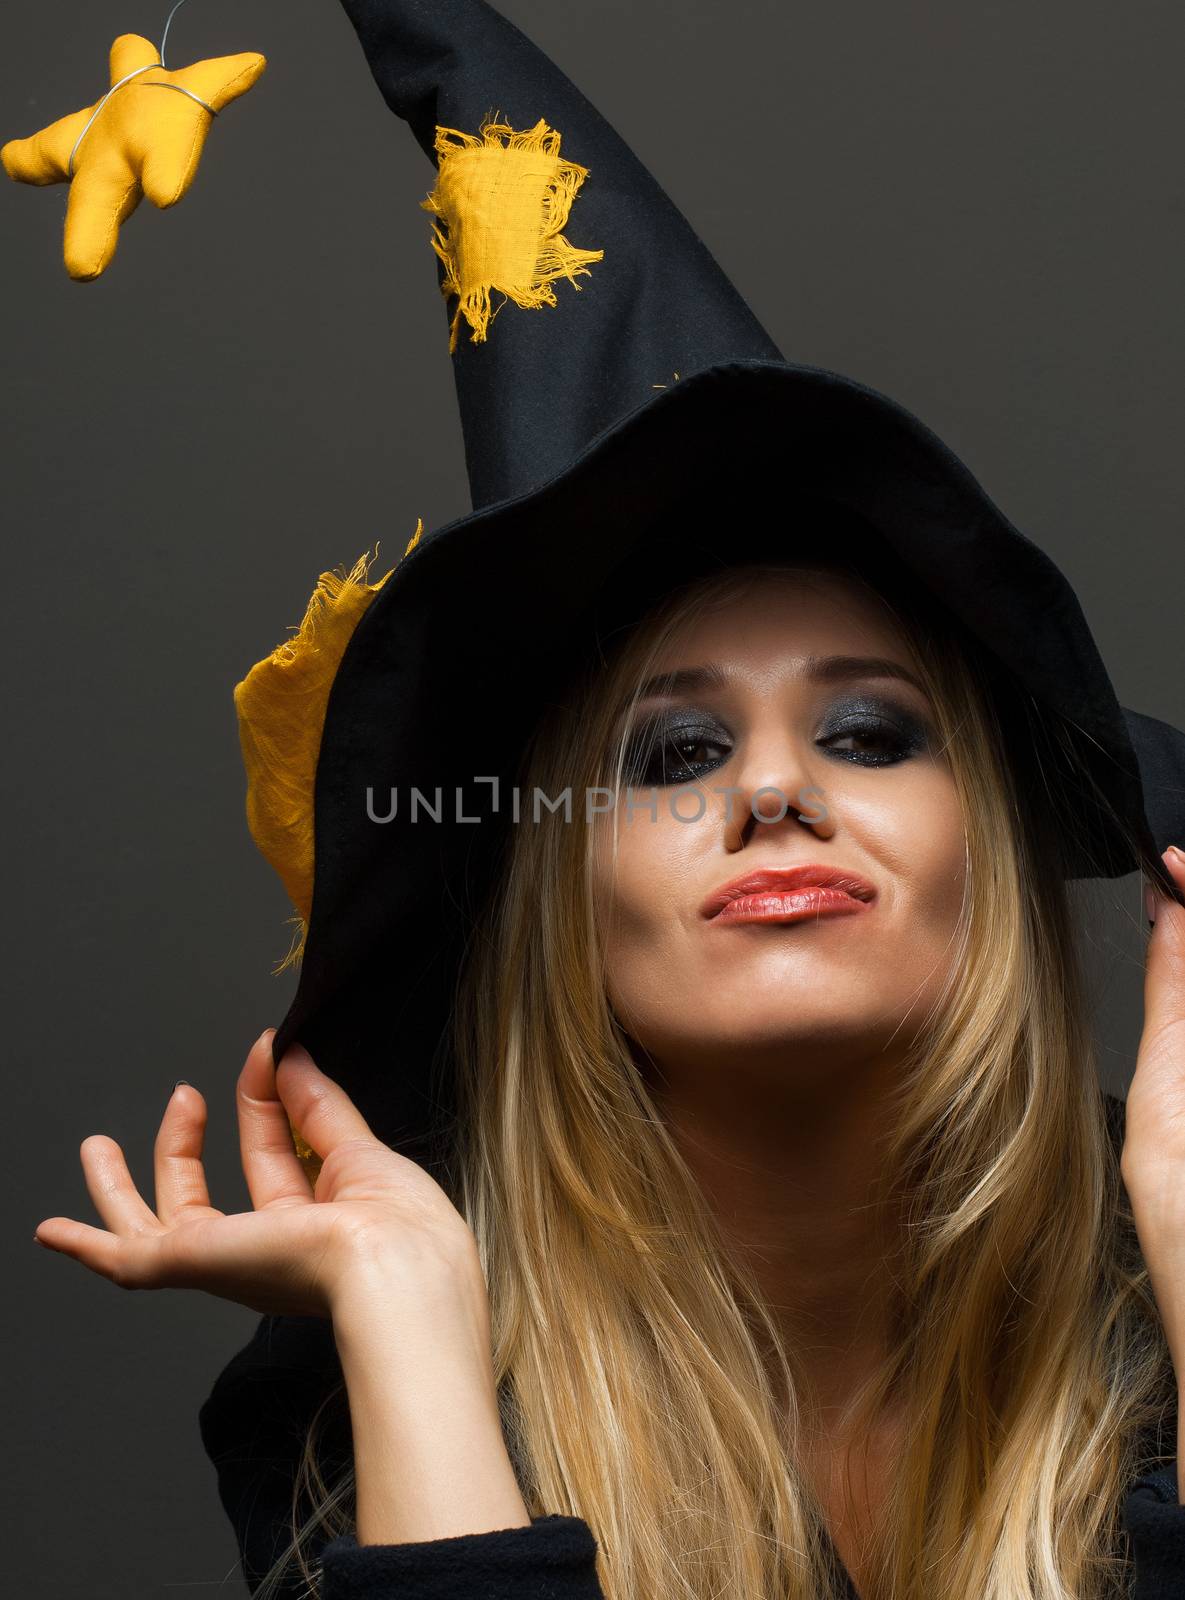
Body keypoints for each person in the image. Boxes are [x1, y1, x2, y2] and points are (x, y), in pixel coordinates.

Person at [28, 2, 1185, 1598]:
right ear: (547, 886)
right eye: (669, 755)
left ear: (982, 845)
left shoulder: (1164, 1292)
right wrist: (404, 1302)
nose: (777, 788)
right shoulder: (362, 1398)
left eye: (866, 732)